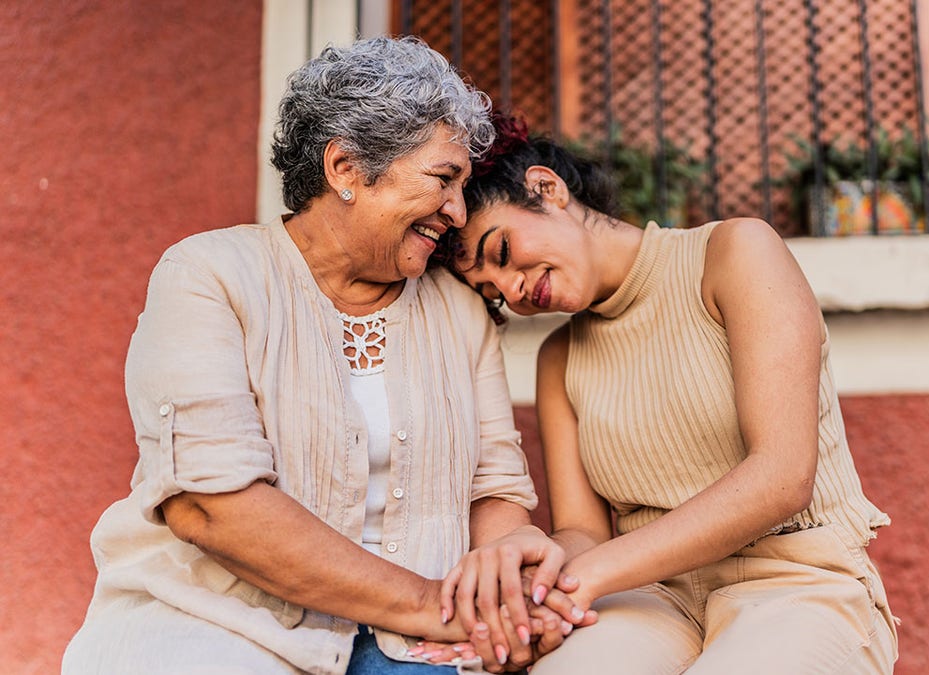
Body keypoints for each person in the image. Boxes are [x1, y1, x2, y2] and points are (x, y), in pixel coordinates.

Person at [62, 39, 587, 675]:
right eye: (444, 179)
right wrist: (429, 604)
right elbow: (210, 504)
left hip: (421, 643)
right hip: (219, 625)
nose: (457, 211)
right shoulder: (209, 275)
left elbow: (494, 491)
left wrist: (508, 587)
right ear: (345, 168)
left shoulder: (455, 307)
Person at [438, 114, 900, 673]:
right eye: (489, 289)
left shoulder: (733, 254)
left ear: (546, 189)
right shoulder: (558, 360)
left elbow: (782, 477)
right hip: (651, 597)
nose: (511, 289)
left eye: (503, 251)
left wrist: (585, 578)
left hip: (799, 583)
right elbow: (584, 531)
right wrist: (539, 590)